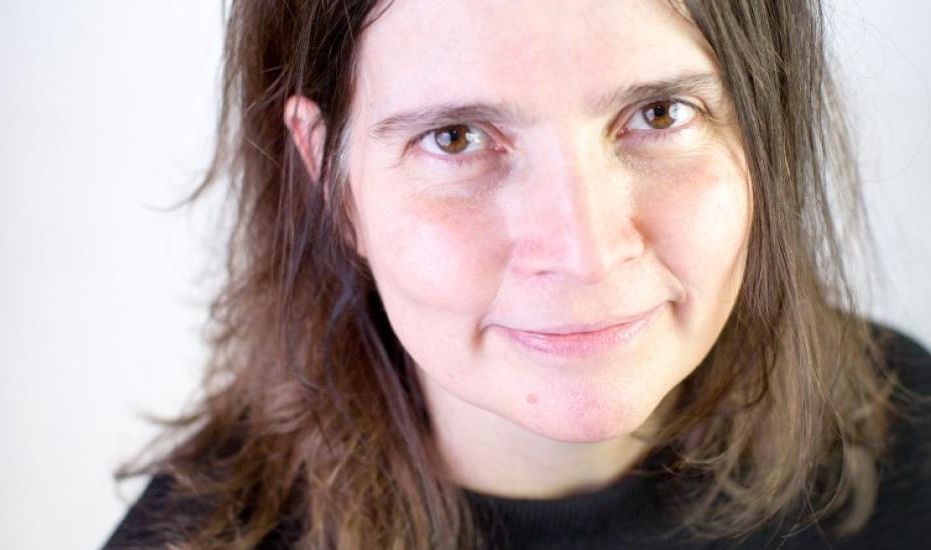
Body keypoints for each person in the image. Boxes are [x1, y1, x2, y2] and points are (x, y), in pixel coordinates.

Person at [104, 0, 931, 548]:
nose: (584, 252)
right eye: (456, 138)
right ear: (331, 179)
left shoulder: (905, 431)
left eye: (659, 114)